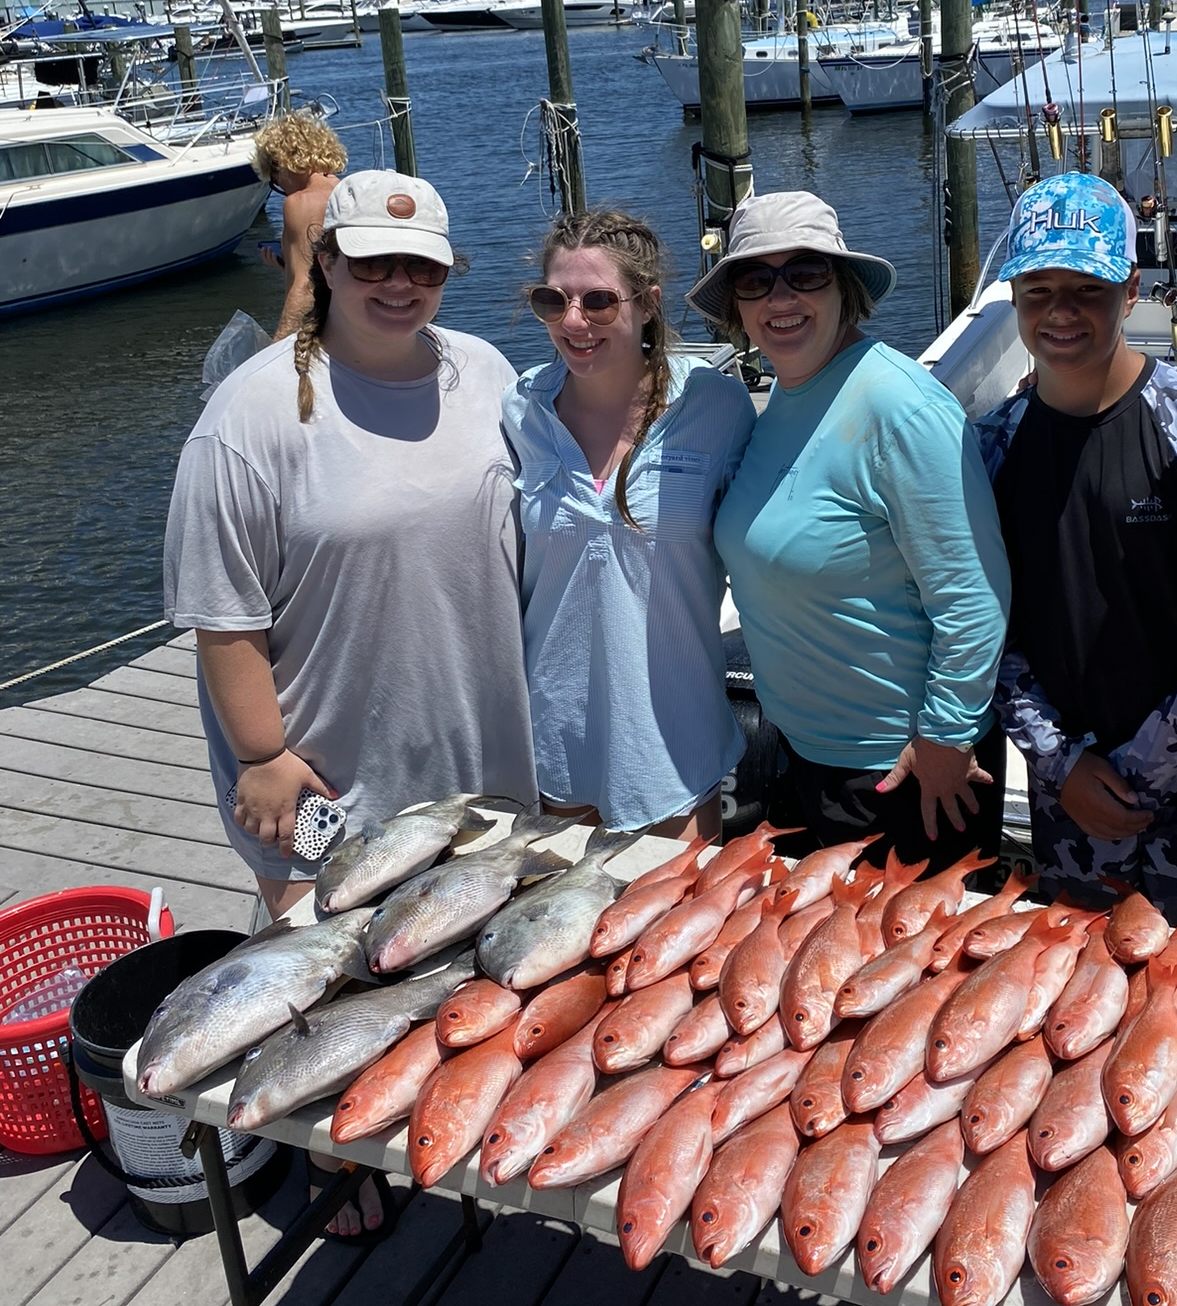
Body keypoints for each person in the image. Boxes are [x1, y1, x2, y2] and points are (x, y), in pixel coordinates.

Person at [165, 170, 538, 1240]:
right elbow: (222, 618)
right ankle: (335, 1158)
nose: (396, 282)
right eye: (370, 260)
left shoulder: (481, 368)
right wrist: (262, 752)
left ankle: (447, 1115)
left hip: (473, 734)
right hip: (325, 758)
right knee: (322, 965)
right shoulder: (249, 414)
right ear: (322, 262)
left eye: (420, 265)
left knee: (451, 946)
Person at [975, 172, 1177, 932]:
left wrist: (1142, 774)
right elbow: (984, 626)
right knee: (1072, 1016)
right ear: (1012, 298)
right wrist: (1060, 763)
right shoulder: (991, 449)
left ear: (1131, 290)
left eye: (1087, 288)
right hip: (1067, 806)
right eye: (1038, 289)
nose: (1061, 312)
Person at [697, 191, 1009, 871]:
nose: (781, 299)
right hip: (807, 752)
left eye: (805, 273)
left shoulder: (900, 406)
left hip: (902, 773)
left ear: (843, 286)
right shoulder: (788, 391)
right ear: (738, 307)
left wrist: (947, 738)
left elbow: (973, 594)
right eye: (756, 279)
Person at [501, 207, 755, 838]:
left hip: (675, 741)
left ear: (648, 304)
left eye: (598, 301)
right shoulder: (519, 409)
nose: (574, 321)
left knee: (666, 931)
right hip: (554, 738)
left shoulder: (715, 405)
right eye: (552, 300)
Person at [252, 113, 347, 337]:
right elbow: (332, 275)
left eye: (274, 179)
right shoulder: (343, 189)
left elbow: (306, 286)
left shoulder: (302, 201)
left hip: (327, 332)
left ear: (281, 165)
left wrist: (274, 351)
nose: (281, 187)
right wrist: (288, 266)